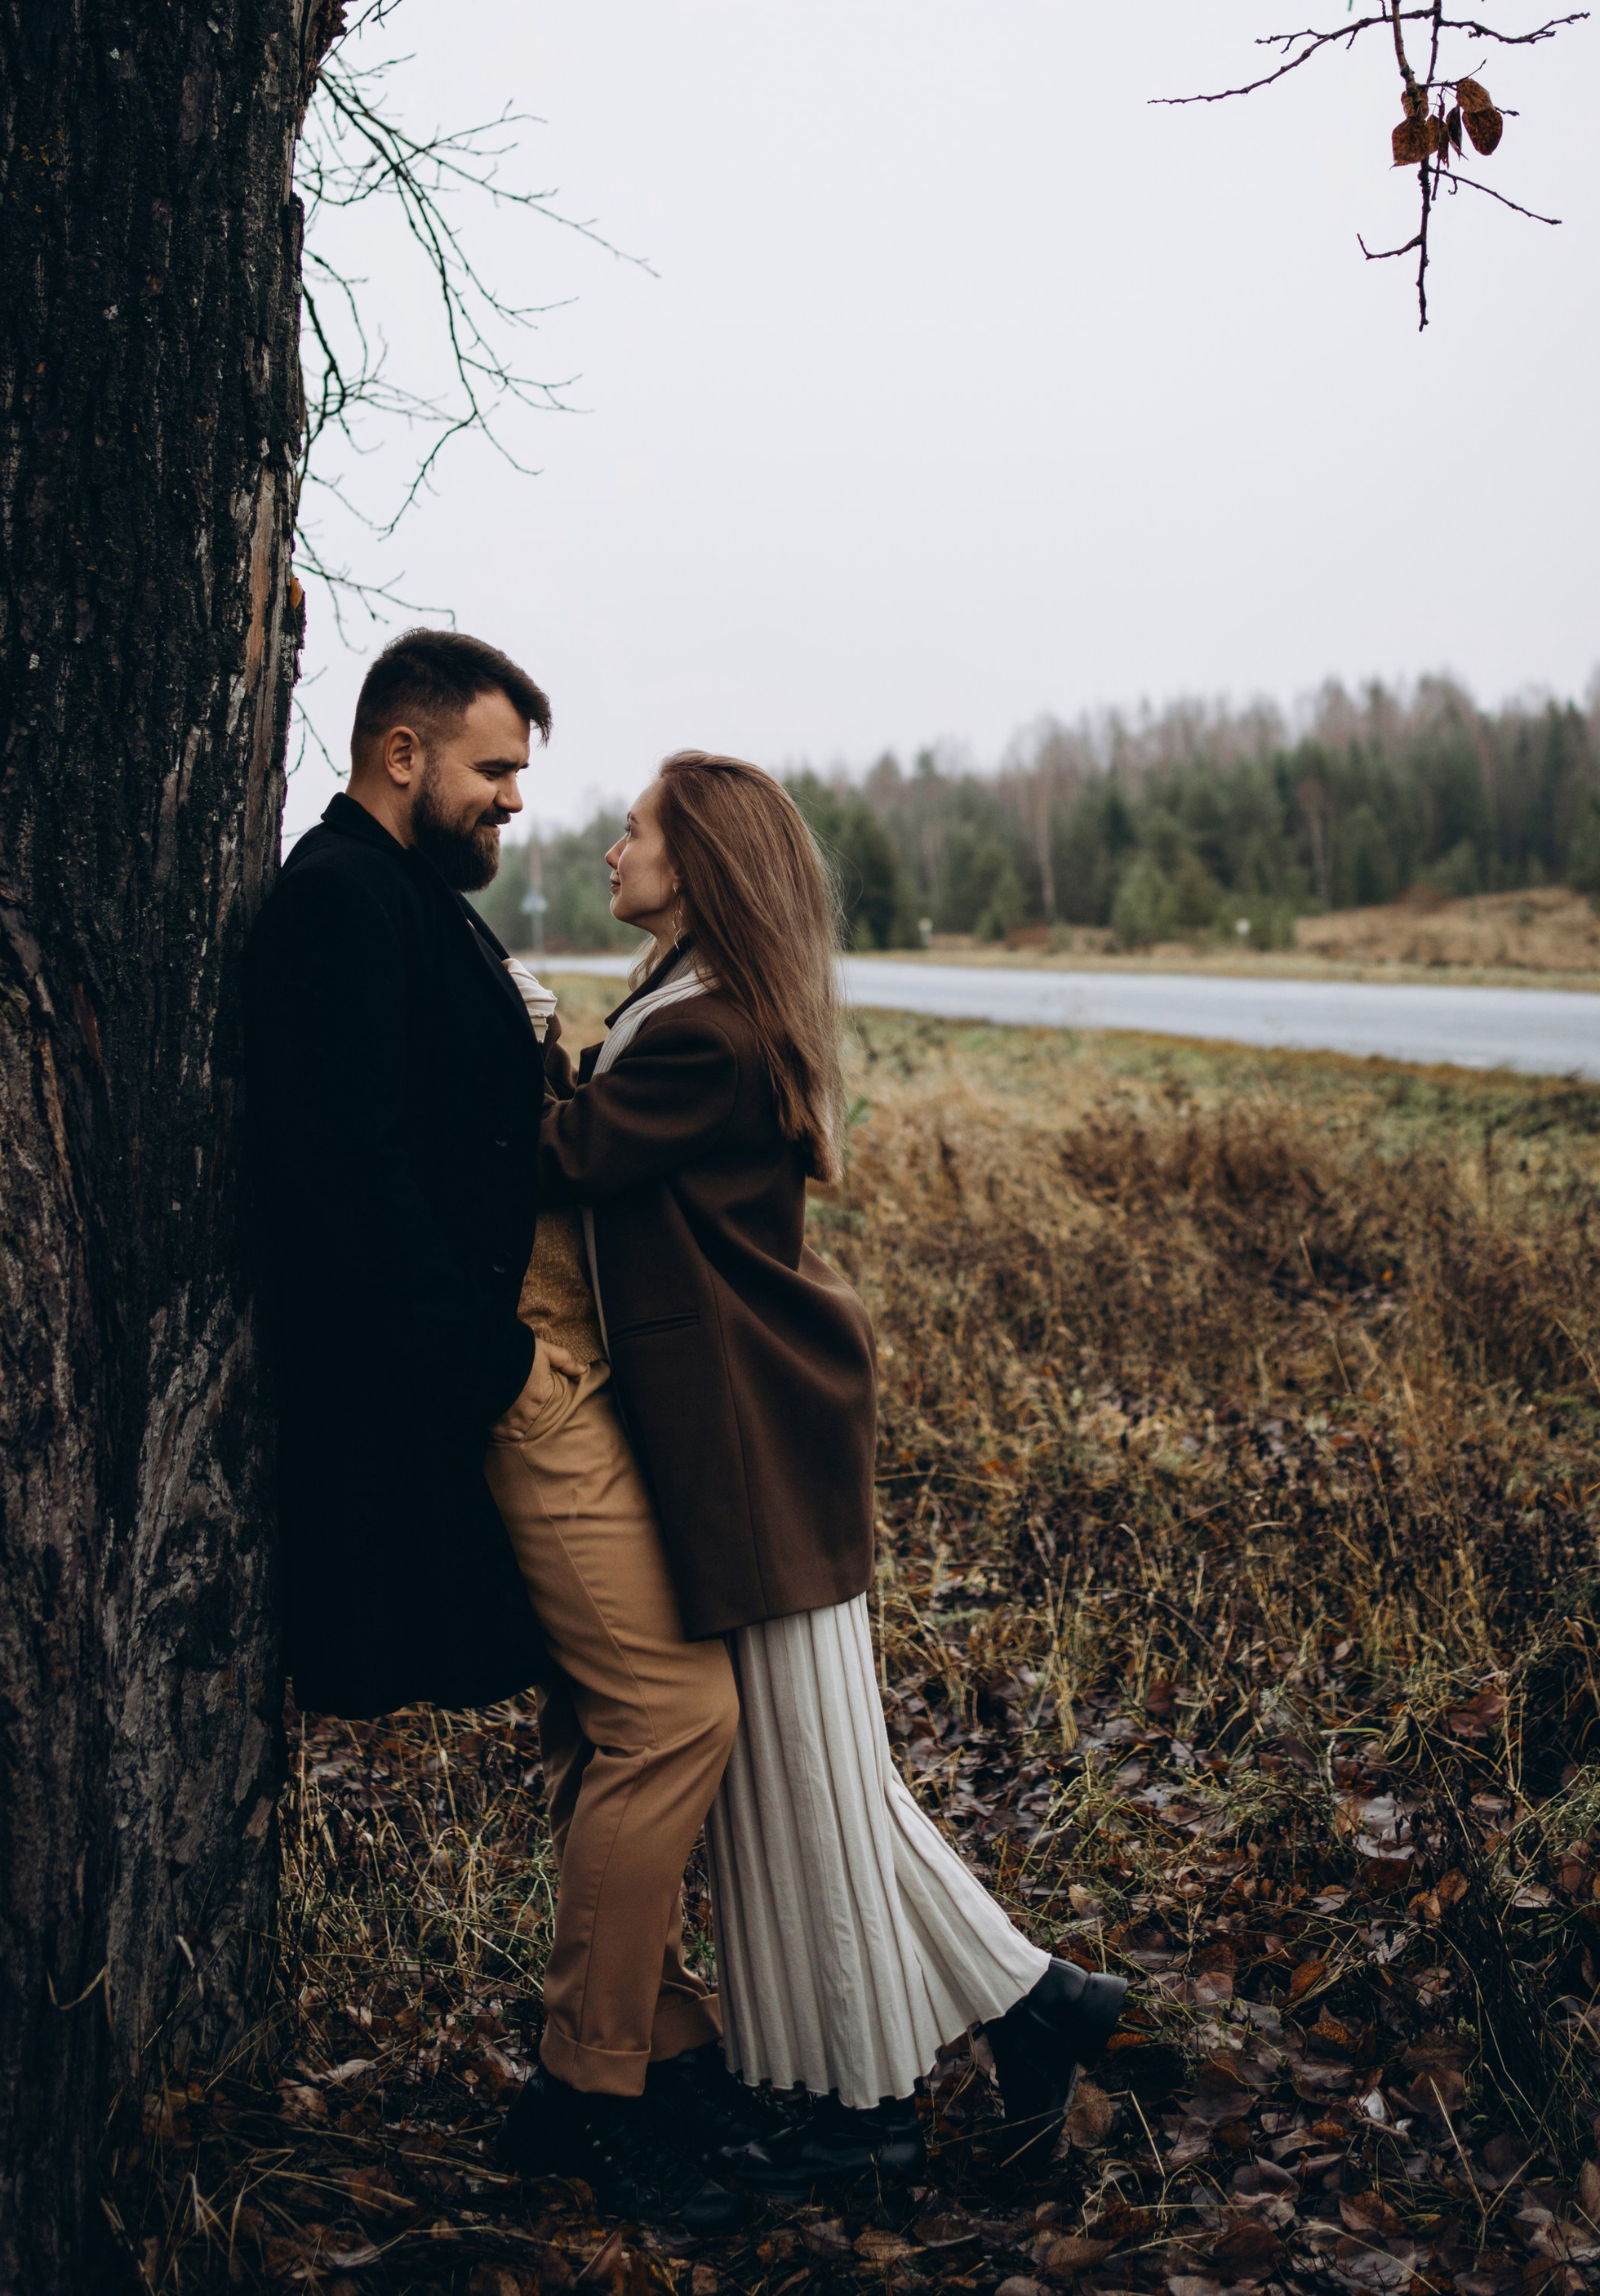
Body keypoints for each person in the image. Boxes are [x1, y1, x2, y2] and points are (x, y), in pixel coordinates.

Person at [536, 753, 1127, 2199]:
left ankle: (867, 2118)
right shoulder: (692, 1009)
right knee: (809, 1781)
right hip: (734, 1440)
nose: (613, 847)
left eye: (637, 831)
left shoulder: (707, 1038)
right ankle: (1042, 2010)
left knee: (808, 1784)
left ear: (701, 868)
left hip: (750, 1451)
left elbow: (569, 1154)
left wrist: (528, 1031)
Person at [244, 633, 740, 2234]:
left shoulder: (407, 906)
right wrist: (491, 1373)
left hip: (537, 1366)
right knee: (670, 1717)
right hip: (508, 1380)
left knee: (626, 1723)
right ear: (401, 754)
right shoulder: (338, 902)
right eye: (492, 772)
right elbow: (346, 1174)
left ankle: (658, 2043)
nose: (516, 805)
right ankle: (590, 2085)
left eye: (520, 775)